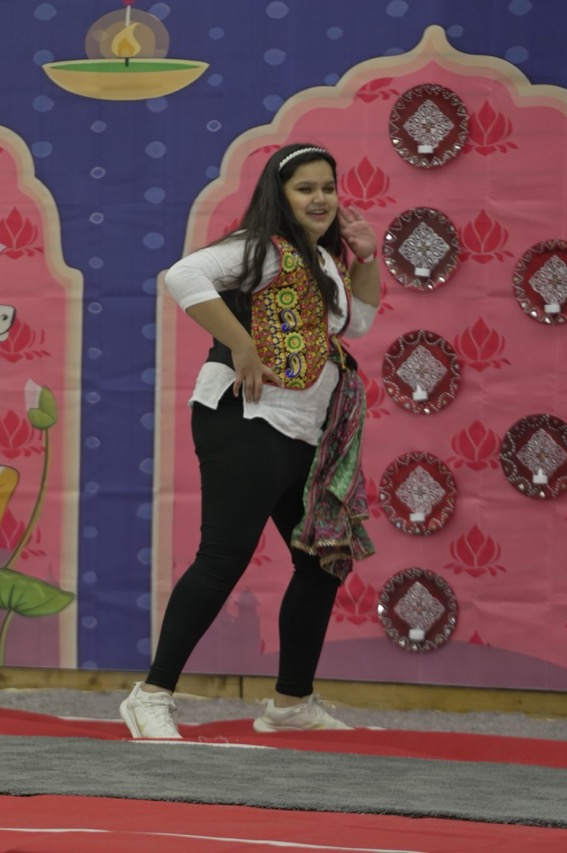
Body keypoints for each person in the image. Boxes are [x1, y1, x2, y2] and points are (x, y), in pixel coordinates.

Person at [120, 143, 380, 738]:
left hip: (308, 430)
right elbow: (182, 275)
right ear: (279, 195)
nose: (320, 199)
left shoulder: (322, 261)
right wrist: (240, 344)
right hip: (246, 418)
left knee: (321, 562)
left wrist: (366, 256)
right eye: (305, 188)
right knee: (224, 557)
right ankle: (151, 695)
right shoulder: (259, 248)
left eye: (328, 187)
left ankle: (290, 702)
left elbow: (359, 323)